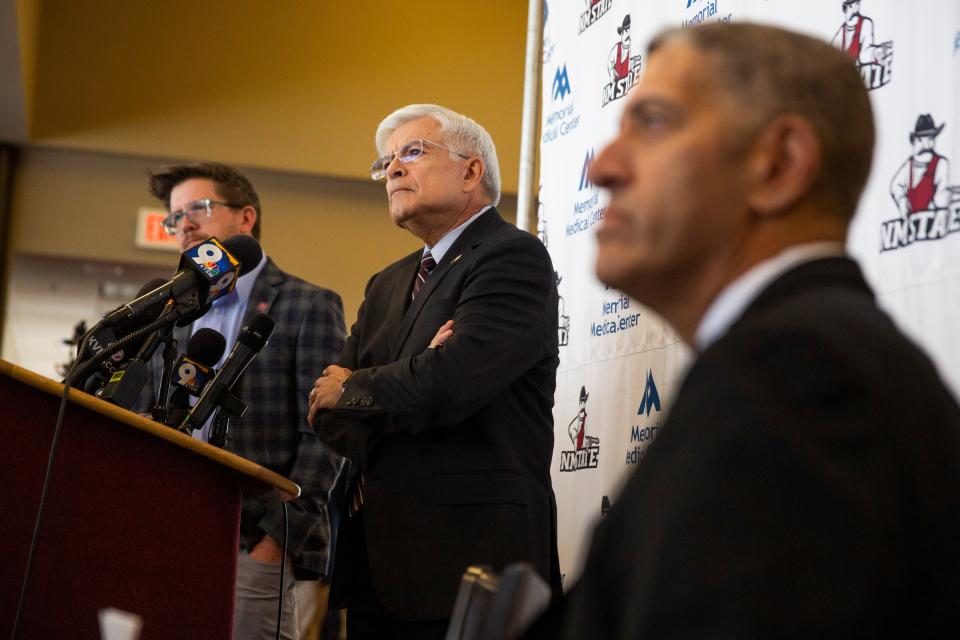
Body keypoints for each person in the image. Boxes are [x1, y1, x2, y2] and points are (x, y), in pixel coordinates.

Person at [534, 22, 960, 638]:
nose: (602, 166)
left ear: (779, 165)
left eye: (651, 122)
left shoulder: (800, 376)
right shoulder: (802, 359)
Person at [309, 104, 561, 638]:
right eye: (386, 163)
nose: (393, 170)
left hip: (472, 563)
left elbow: (454, 382)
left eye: (413, 152)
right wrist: (414, 377)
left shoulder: (512, 257)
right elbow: (325, 412)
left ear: (472, 171)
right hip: (378, 561)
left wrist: (361, 387)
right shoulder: (386, 283)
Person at [139, 162, 346, 640]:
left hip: (253, 543)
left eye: (199, 208)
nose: (184, 224)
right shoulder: (167, 308)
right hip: (165, 533)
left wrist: (278, 539)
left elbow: (327, 434)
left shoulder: (306, 304)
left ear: (246, 219)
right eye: (174, 217)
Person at [890, 114, 951, 216]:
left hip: (934, 224)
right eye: (921, 140)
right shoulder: (908, 166)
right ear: (914, 141)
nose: (926, 145)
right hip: (911, 226)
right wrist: (902, 200)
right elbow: (895, 186)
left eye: (930, 138)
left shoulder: (941, 164)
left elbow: (942, 197)